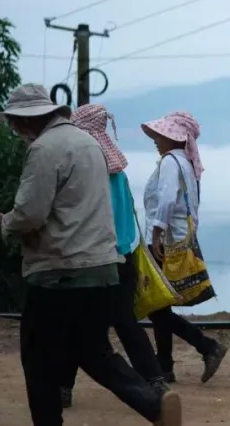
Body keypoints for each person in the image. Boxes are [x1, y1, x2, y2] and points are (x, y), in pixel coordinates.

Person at [0, 84, 182, 426]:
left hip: (60, 270)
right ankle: (154, 406)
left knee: (38, 355)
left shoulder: (44, 149)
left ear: (26, 120)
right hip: (102, 267)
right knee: (92, 351)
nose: (14, 130)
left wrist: (5, 223)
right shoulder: (88, 142)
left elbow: (31, 214)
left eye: (13, 123)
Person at [60, 103, 169, 409]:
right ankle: (156, 381)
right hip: (126, 254)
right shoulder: (118, 172)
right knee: (125, 322)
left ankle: (62, 388)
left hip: (97, 257)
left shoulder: (89, 170)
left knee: (75, 323)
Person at [140, 110, 228, 384]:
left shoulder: (169, 162)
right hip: (181, 237)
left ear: (175, 138)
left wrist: (157, 235)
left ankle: (206, 346)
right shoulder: (186, 163)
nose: (156, 139)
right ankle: (165, 365)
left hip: (166, 241)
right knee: (161, 305)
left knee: (157, 305)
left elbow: (165, 201)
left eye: (161, 135)